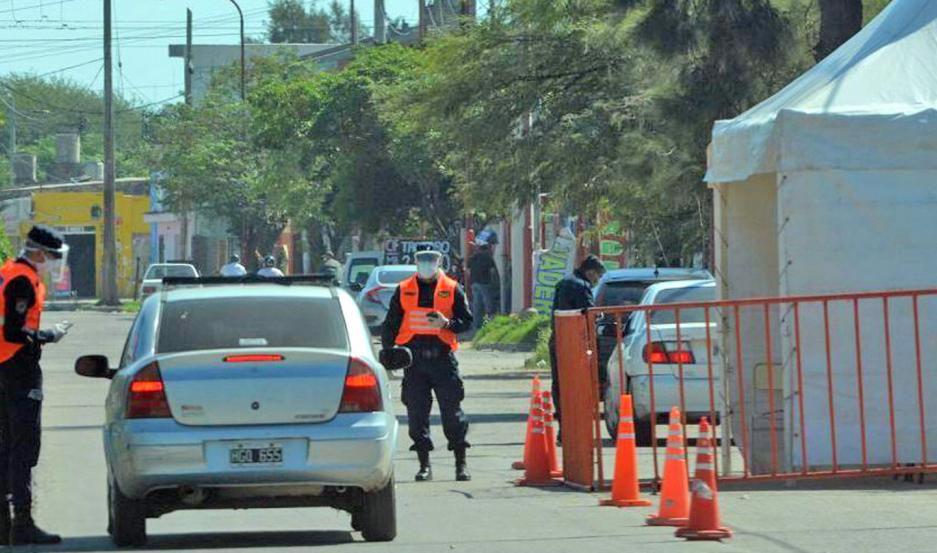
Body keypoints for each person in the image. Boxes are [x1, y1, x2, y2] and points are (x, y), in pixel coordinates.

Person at [0, 225, 70, 545]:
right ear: (38, 253)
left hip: (4, 367)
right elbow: (14, 332)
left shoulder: (7, 271)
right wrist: (49, 335)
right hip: (17, 369)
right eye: (53, 257)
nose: (55, 263)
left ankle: (5, 524)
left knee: (5, 446)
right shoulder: (23, 280)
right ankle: (23, 523)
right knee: (23, 447)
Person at [381, 249, 473, 482]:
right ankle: (424, 466)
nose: (426, 265)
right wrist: (388, 352)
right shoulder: (403, 289)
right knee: (416, 414)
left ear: (439, 263)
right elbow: (391, 323)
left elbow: (467, 322)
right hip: (414, 360)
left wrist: (447, 323)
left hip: (442, 358)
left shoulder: (452, 287)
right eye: (422, 261)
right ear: (415, 263)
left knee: (452, 413)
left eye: (431, 261)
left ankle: (460, 464)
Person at [549, 255, 606, 426]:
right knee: (577, 384)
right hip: (576, 342)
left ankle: (564, 424)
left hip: (557, 338)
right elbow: (588, 312)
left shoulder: (564, 282)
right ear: (590, 272)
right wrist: (599, 315)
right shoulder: (581, 286)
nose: (597, 280)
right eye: (597, 276)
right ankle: (577, 424)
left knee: (560, 382)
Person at [467, 242, 498, 330]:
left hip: (474, 283)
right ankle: (489, 325)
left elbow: (468, 272)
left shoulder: (472, 258)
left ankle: (476, 325)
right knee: (488, 304)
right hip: (485, 282)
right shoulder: (488, 257)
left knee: (477, 305)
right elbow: (492, 271)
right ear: (486, 248)